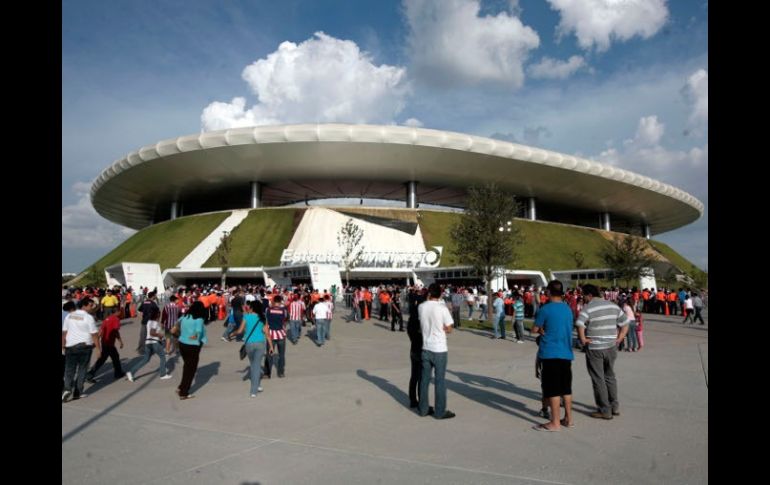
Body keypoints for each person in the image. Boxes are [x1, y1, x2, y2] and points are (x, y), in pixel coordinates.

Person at [575, 284, 630, 420]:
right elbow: (625, 323)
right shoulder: (612, 305)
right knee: (610, 376)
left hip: (595, 348)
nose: (582, 298)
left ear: (589, 295)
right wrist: (619, 339)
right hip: (611, 347)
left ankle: (605, 410)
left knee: (598, 379)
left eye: (583, 295)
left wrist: (583, 339)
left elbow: (579, 323)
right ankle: (614, 406)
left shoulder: (588, 308)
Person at [531, 280, 575, 431]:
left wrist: (541, 329)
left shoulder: (546, 309)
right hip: (566, 352)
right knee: (566, 388)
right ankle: (568, 418)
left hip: (550, 352)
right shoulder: (567, 309)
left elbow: (534, 329)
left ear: (549, 292)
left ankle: (555, 422)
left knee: (552, 389)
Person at [418, 283, 455, 420]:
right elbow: (450, 328)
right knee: (440, 381)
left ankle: (423, 409)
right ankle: (439, 411)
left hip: (426, 346)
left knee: (424, 380)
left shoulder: (421, 307)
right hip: (439, 348)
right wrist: (444, 329)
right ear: (440, 294)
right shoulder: (441, 308)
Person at [62, 298, 101, 402]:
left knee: (69, 370)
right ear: (84, 305)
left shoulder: (70, 316)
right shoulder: (88, 317)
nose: (92, 307)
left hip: (70, 347)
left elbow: (64, 333)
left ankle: (67, 389)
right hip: (85, 347)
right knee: (82, 370)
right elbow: (94, 335)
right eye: (91, 305)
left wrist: (63, 346)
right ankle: (77, 393)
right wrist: (98, 349)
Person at [232, 300, 273, 397]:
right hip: (260, 344)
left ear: (252, 308)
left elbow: (240, 331)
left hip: (249, 344)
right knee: (256, 366)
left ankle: (255, 388)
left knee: (253, 365)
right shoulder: (263, 318)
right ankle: (255, 388)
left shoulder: (246, 317)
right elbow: (267, 333)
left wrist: (232, 333)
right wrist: (271, 346)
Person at [125, 305, 172, 382]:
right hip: (154, 343)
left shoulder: (149, 322)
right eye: (159, 314)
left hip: (148, 342)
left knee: (145, 359)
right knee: (162, 357)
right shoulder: (155, 323)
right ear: (157, 315)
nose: (160, 316)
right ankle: (163, 374)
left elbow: (151, 332)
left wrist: (159, 336)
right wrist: (160, 335)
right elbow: (152, 332)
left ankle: (131, 372)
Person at [176, 301, 208, 400]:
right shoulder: (199, 319)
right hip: (192, 346)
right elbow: (198, 331)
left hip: (182, 343)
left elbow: (176, 324)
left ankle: (181, 387)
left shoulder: (185, 316)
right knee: (190, 370)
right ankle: (184, 392)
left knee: (187, 367)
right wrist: (196, 339)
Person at [86, 312, 125, 383]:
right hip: (109, 343)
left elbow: (101, 330)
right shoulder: (116, 319)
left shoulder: (106, 319)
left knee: (112, 357)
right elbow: (116, 331)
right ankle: (89, 375)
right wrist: (120, 341)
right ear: (118, 311)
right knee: (108, 359)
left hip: (104, 342)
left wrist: (97, 340)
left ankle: (118, 373)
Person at [407, 287, 427, 409]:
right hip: (421, 349)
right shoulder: (422, 319)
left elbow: (410, 333)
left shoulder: (412, 319)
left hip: (413, 349)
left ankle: (413, 400)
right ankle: (421, 401)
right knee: (421, 377)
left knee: (414, 376)